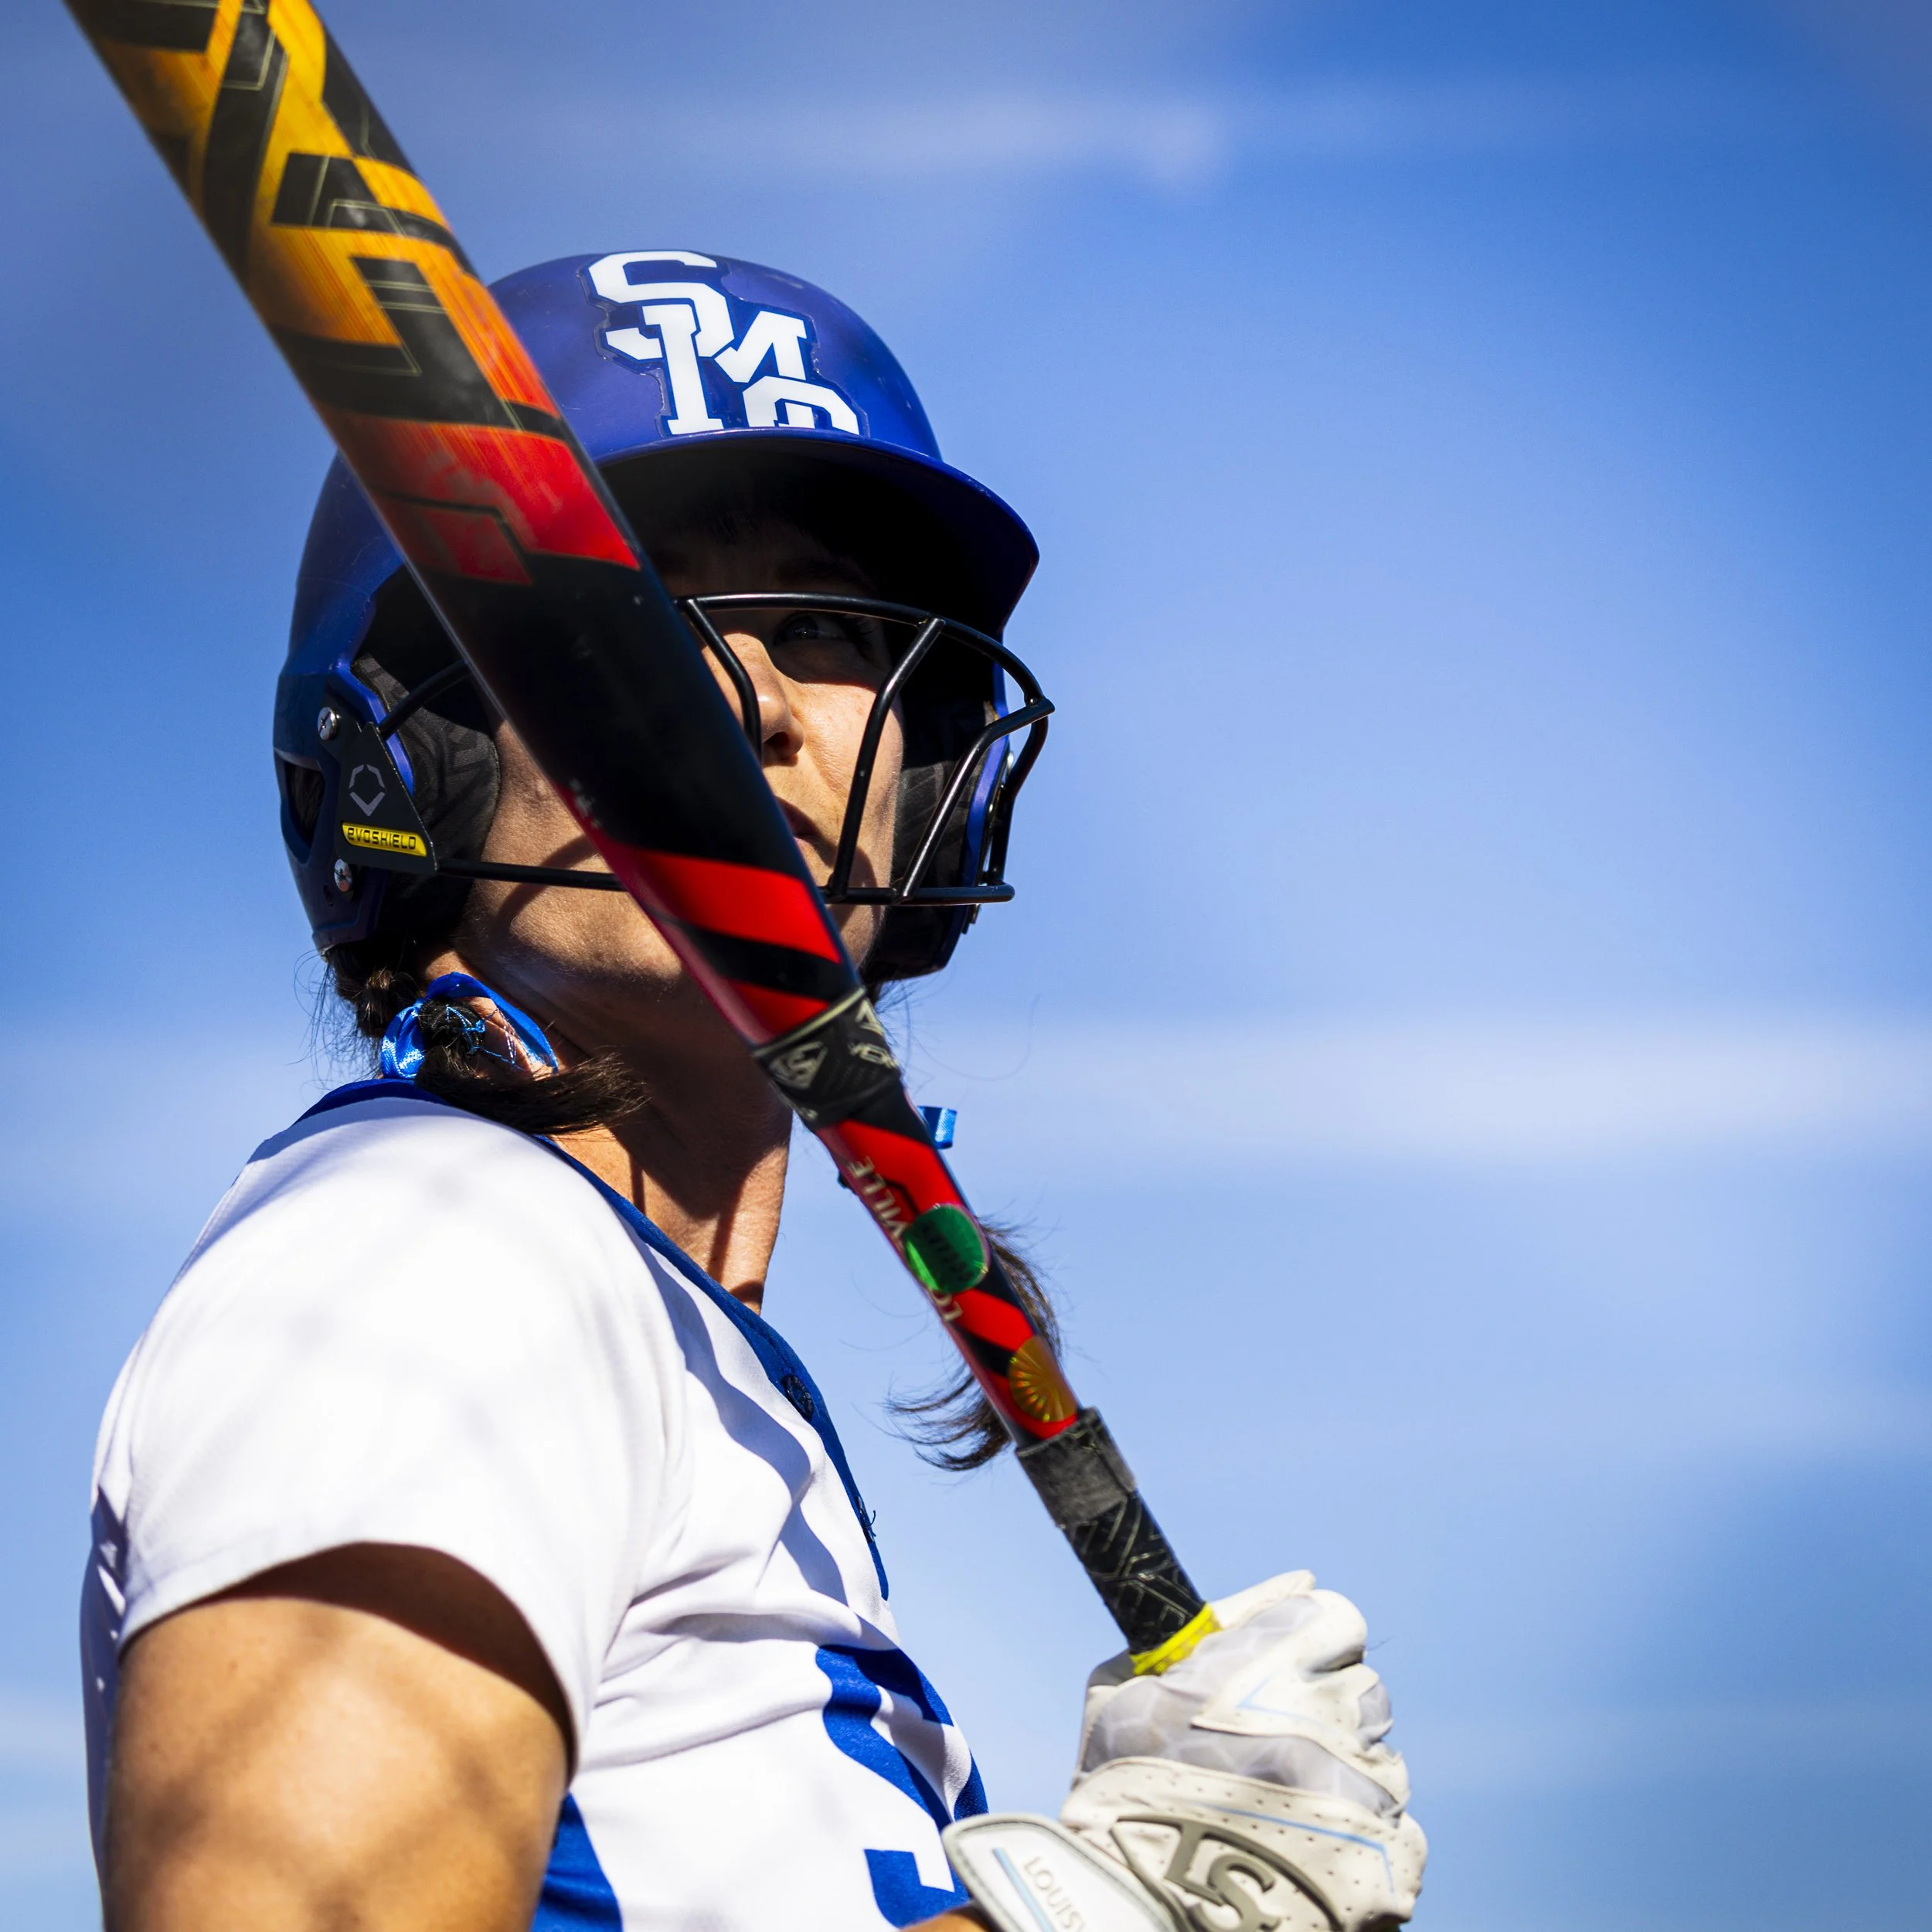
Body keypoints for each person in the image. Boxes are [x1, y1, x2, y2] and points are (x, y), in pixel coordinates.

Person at [81, 252, 1427, 1932]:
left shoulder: (646, 1333)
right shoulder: (424, 1257)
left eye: (824, 628)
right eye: (633, 611)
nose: (749, 696)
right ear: (402, 750)